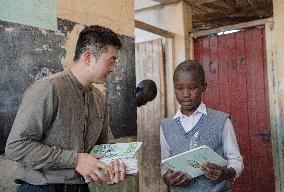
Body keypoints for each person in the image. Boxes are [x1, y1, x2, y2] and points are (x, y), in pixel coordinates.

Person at [5, 25, 127, 192]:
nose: (113, 68)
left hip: (80, 188)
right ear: (88, 58)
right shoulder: (48, 88)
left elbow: (105, 146)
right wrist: (75, 160)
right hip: (41, 187)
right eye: (111, 61)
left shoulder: (99, 98)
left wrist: (116, 165)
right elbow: (16, 146)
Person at [160, 60, 244, 191]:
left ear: (203, 86)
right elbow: (165, 164)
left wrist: (224, 173)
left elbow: (236, 160)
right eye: (179, 88)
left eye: (192, 87)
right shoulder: (166, 126)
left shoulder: (221, 120)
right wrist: (167, 178)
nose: (186, 94)